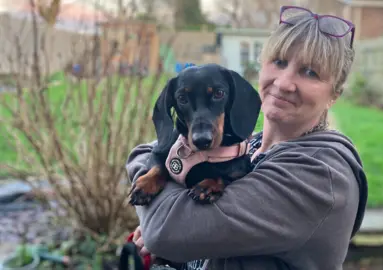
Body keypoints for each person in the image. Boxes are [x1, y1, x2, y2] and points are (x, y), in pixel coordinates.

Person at [126, 5, 368, 270]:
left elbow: (166, 231)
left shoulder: (319, 176)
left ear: (335, 94)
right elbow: (147, 155)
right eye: (280, 62)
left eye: (310, 72)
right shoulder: (246, 144)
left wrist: (155, 213)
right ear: (262, 67)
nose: (285, 82)